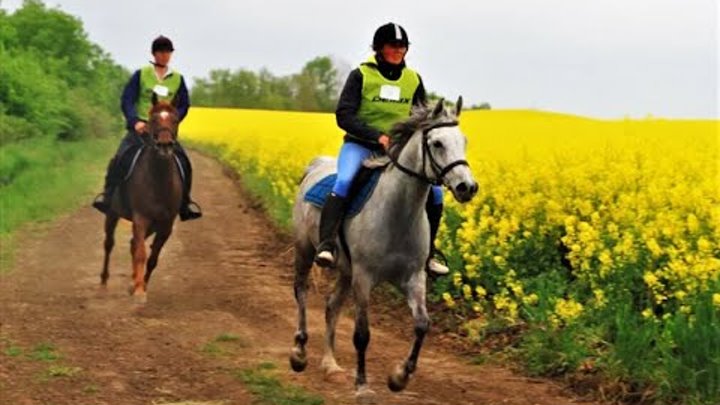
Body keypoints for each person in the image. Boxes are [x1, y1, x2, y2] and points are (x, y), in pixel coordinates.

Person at [315, 22, 449, 274]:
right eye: (393, 45)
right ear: (378, 48)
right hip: (360, 146)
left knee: (436, 193)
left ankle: (428, 253)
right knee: (344, 181)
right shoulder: (361, 76)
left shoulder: (413, 79)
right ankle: (327, 245)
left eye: (403, 46)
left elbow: (421, 117)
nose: (398, 50)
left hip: (398, 152)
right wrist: (377, 136)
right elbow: (344, 115)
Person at [92, 35, 201, 221]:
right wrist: (135, 121)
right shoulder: (141, 74)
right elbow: (127, 99)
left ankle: (185, 203)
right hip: (141, 130)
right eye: (161, 52)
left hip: (164, 132)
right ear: (154, 54)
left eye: (168, 52)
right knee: (119, 158)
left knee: (184, 163)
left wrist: (173, 121)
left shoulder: (177, 78)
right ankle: (108, 196)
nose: (164, 56)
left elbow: (184, 104)